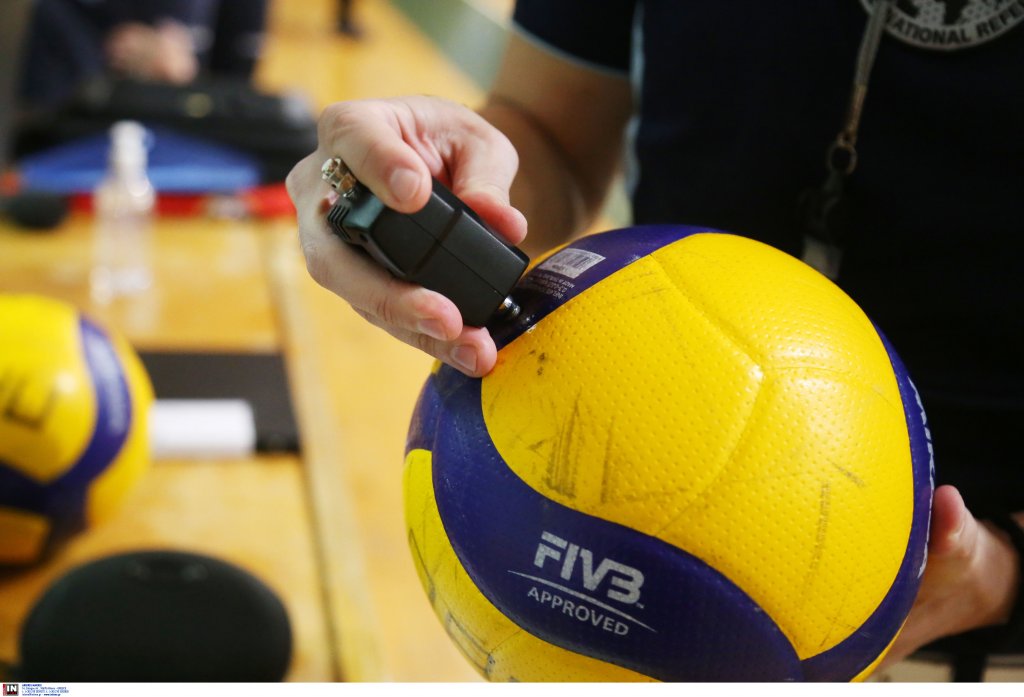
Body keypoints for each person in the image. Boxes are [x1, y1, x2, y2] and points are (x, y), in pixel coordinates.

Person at [286, 0, 1024, 679]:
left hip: (971, 628)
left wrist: (1006, 572)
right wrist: (427, 184)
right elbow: (551, 138)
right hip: (594, 514)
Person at [19, 0, 269, 109]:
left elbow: (235, 91)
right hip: (78, 126)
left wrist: (189, 81)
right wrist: (108, 48)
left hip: (189, 139)